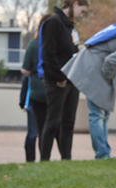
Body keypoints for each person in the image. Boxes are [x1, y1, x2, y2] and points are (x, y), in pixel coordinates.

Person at [39, 0, 88, 161]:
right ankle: (44, 159)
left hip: (72, 80)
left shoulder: (70, 26)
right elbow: (48, 54)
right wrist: (59, 78)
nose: (82, 15)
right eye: (82, 10)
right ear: (73, 4)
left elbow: (72, 50)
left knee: (68, 123)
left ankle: (66, 159)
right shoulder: (53, 23)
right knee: (53, 122)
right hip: (57, 81)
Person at [21, 14, 51, 163]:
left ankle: (30, 160)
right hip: (52, 94)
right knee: (46, 130)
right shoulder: (56, 45)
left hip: (35, 93)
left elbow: (25, 70)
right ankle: (44, 159)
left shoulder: (34, 45)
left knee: (33, 131)